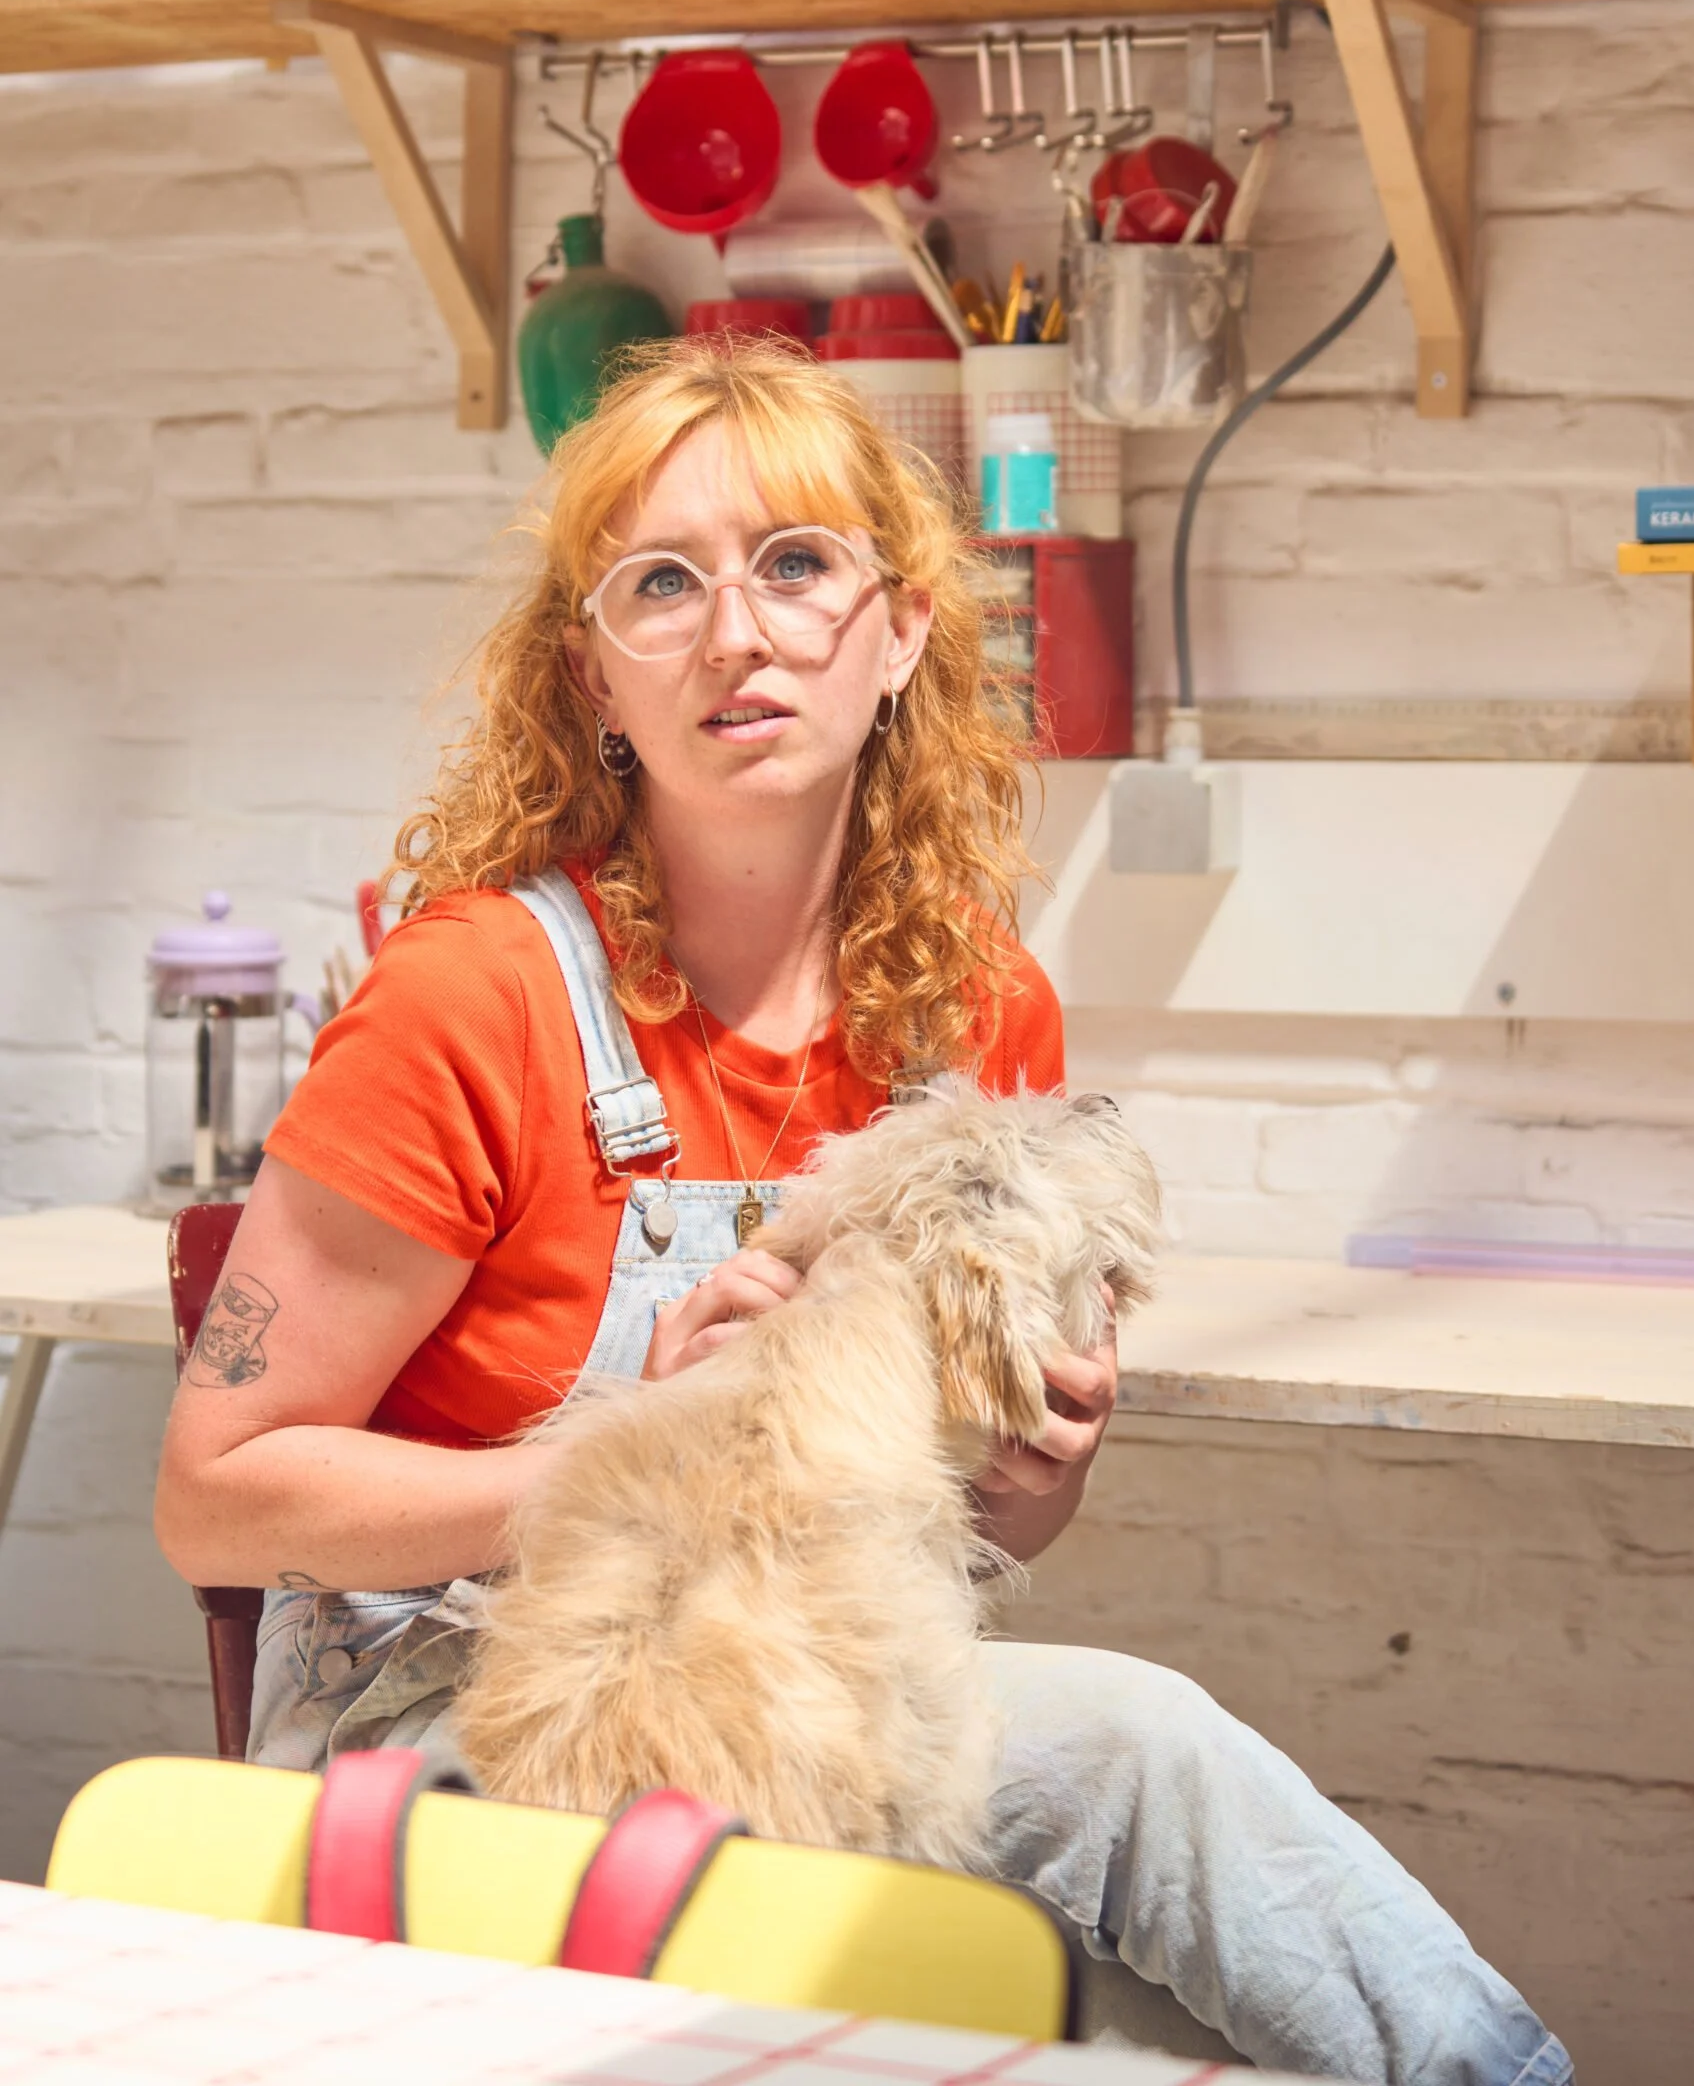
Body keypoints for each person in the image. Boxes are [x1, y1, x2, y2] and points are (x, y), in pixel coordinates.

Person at [155, 342, 1569, 2086]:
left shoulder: (971, 1027)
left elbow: (983, 1537)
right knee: (1131, 1754)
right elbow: (212, 1506)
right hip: (454, 1735)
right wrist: (630, 1456)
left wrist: (1031, 1476)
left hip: (803, 1693)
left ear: (901, 633)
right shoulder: (474, 1001)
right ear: (595, 676)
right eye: (659, 584)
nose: (734, 633)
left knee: (1129, 2025)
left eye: (796, 566)